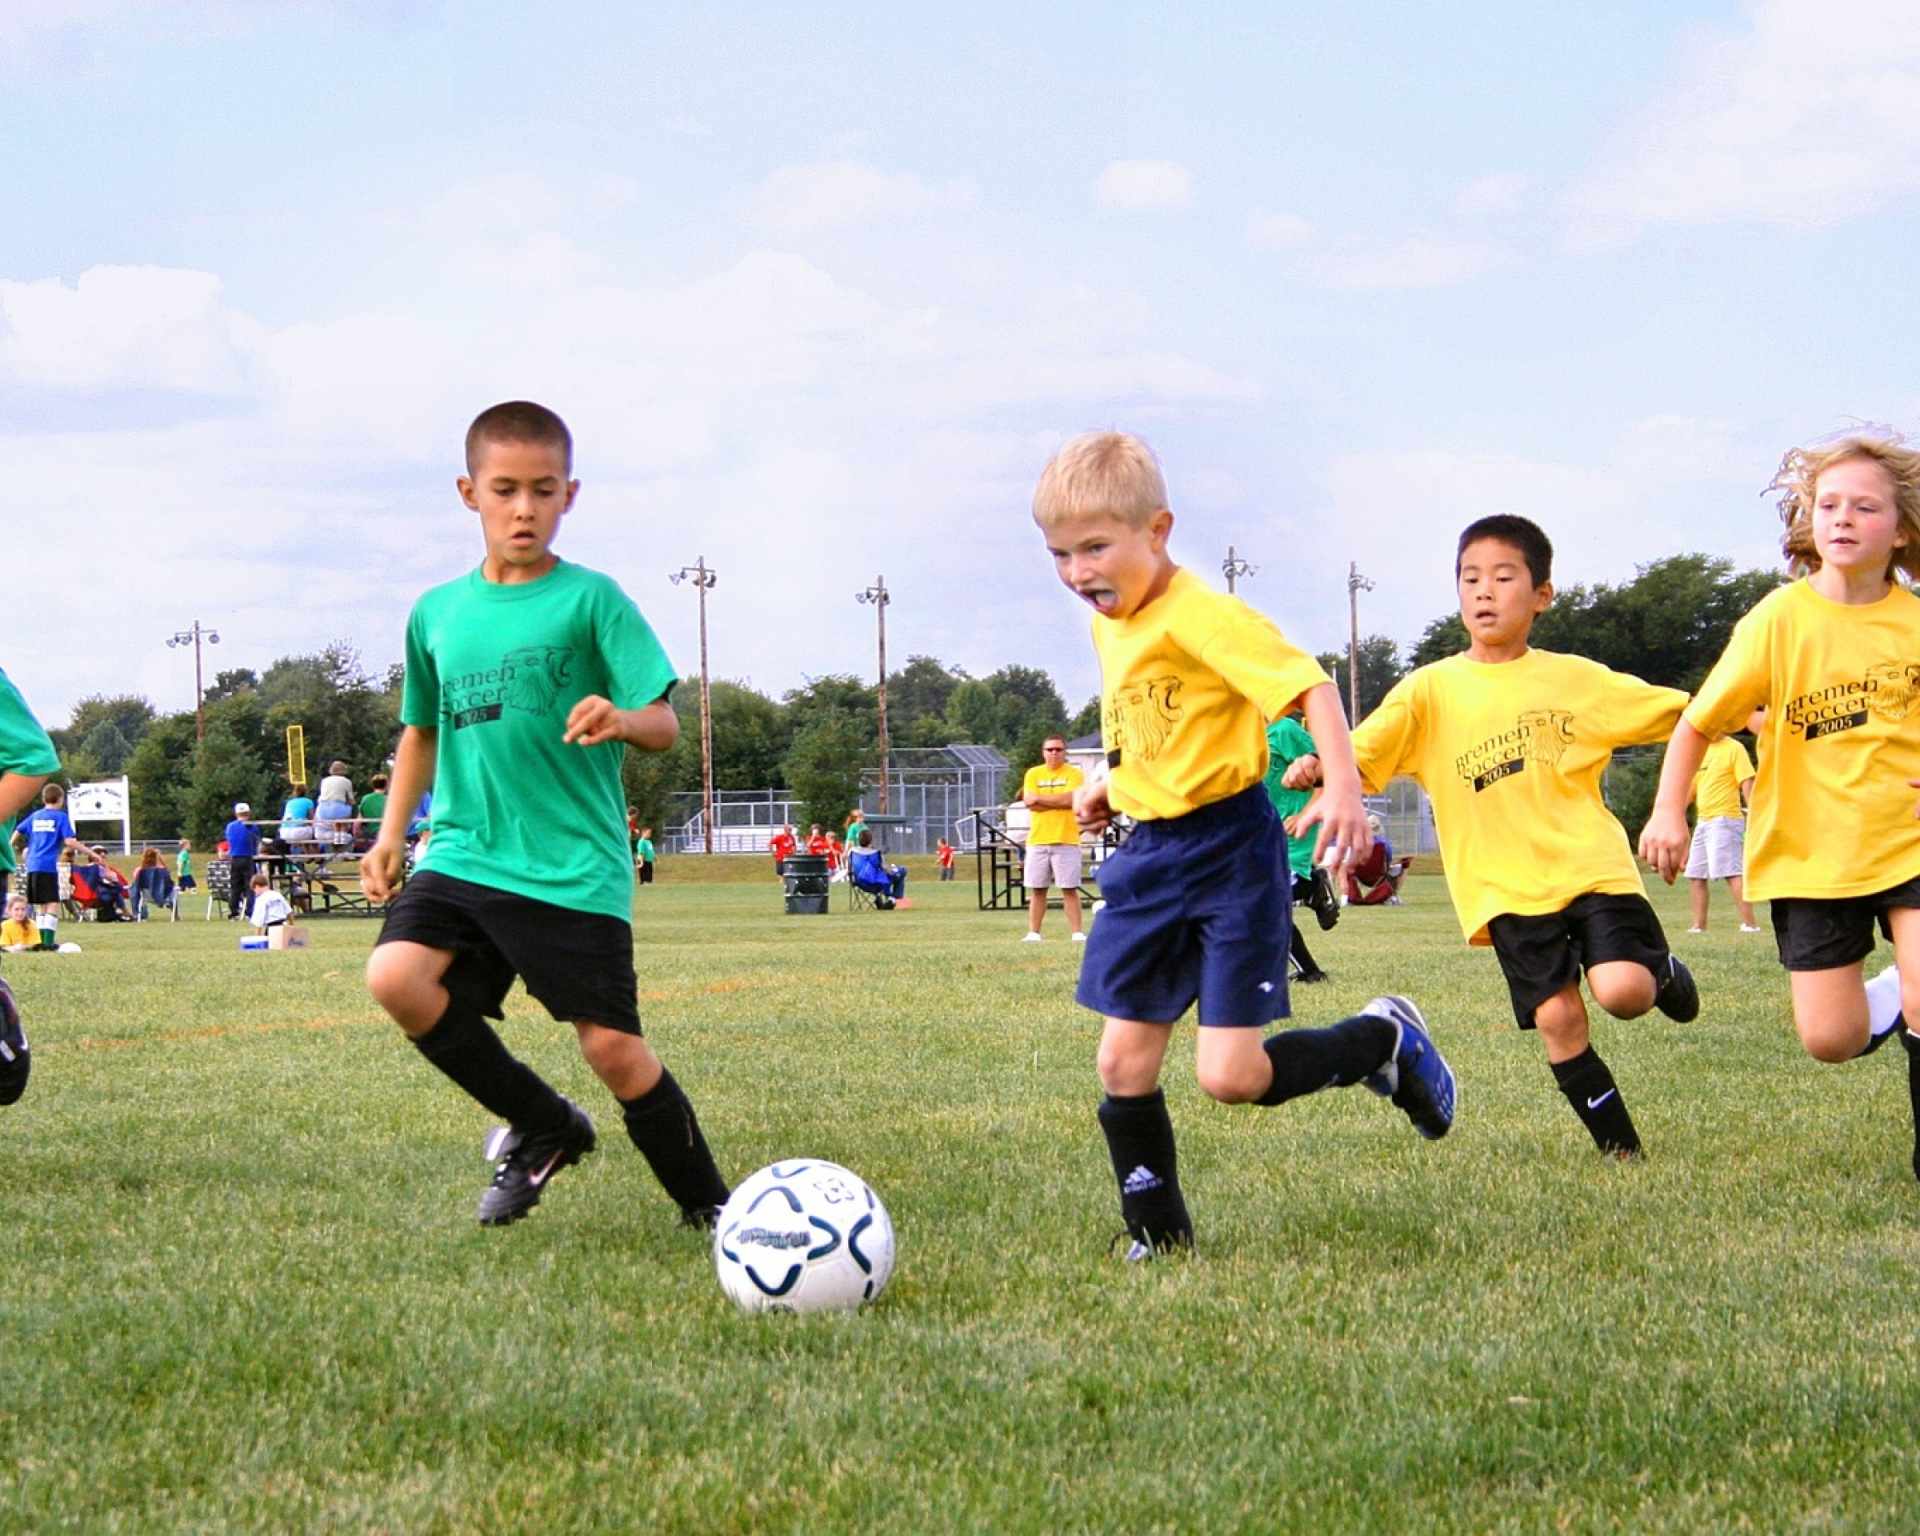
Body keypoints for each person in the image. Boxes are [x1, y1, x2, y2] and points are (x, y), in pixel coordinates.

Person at [1033, 431, 1455, 1259]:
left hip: (1230, 856)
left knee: (1231, 1077)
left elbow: (1310, 687)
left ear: (1157, 531)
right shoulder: (1108, 625)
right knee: (1122, 1063)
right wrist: (1105, 785)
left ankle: (1382, 1041)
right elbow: (1155, 730)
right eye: (1059, 553)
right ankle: (1160, 1238)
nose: (1079, 571)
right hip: (1150, 859)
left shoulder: (1202, 614)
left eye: (1095, 547)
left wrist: (1343, 787)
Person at [361, 399, 731, 1230]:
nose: (523, 507)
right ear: (469, 493)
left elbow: (665, 725)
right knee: (396, 977)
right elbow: (421, 732)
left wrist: (622, 717)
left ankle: (710, 1207)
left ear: (570, 494)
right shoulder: (436, 612)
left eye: (542, 489)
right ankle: (544, 1123)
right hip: (463, 850)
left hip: (571, 863)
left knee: (611, 1049)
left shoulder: (592, 601)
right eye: (505, 489)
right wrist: (391, 836)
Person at [1293, 513, 1698, 1160]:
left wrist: (1756, 710)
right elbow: (1362, 752)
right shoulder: (1429, 691)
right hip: (1502, 885)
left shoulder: (1576, 679)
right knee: (1558, 1019)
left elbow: (1687, 714)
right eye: (1470, 578)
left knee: (1622, 992)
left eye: (1503, 577)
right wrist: (1319, 764)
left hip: (1590, 866)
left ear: (1542, 595)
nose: (1483, 591)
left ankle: (1663, 970)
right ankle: (1624, 1153)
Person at [1640, 433, 1920, 1180]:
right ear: (1809, 519)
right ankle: (1890, 995)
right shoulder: (1778, 620)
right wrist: (1670, 811)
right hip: (1810, 853)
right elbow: (1699, 721)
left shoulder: (1914, 624)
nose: (1843, 518)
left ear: (1901, 529)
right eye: (1828, 504)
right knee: (1830, 1038)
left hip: (1910, 838)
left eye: (1865, 506)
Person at [1262, 710, 1338, 983]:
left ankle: (1311, 972)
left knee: (1266, 903)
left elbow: (1326, 770)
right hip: (1264, 836)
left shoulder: (1284, 730)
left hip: (1294, 830)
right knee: (1264, 903)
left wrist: (1307, 812)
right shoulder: (1242, 740)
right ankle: (1311, 887)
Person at [1683, 732, 1759, 933]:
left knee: (1731, 872)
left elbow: (1746, 781)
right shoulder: (1700, 750)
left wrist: (1753, 813)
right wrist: (1673, 814)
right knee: (1695, 874)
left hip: (1725, 819)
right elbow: (1691, 789)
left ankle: (1750, 925)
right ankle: (1699, 926)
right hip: (1703, 821)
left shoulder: (1734, 748)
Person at [1021, 734, 1087, 942]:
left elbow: (1072, 799)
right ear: (1043, 752)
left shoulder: (1075, 774)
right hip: (1038, 839)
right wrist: (1057, 801)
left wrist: (1041, 798)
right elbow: (1030, 803)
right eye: (1050, 749)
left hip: (1066, 838)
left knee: (1069, 888)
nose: (1054, 753)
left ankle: (1077, 932)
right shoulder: (1033, 774)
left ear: (1064, 752)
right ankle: (1034, 932)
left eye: (1058, 749)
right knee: (1038, 888)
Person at [13, 783, 83, 921]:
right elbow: (69, 842)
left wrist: (9, 846)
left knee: (41, 905)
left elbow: (19, 830)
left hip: (32, 866)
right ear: (60, 799)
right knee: (52, 902)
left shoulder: (35, 816)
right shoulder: (60, 816)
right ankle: (48, 941)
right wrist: (90, 853)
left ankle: (41, 939)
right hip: (47, 866)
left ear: (44, 799)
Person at [1344, 813, 1411, 907]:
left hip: (1360, 876)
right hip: (1379, 876)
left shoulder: (1357, 843)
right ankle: (1393, 896)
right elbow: (1389, 859)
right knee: (1403, 866)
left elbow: (1351, 859)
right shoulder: (1384, 843)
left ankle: (1348, 897)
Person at [848, 829, 908, 907]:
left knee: (877, 876)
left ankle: (879, 898)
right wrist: (893, 869)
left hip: (860, 883)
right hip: (878, 884)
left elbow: (849, 869)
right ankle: (892, 899)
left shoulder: (852, 852)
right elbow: (885, 869)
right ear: (870, 840)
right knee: (902, 870)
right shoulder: (876, 853)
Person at [223, 802, 261, 919]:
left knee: (235, 886)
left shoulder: (230, 826)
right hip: (248, 858)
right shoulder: (253, 826)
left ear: (236, 813)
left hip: (235, 858)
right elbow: (257, 841)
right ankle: (250, 911)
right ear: (248, 813)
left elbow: (229, 841)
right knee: (250, 886)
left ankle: (234, 912)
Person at [359, 774, 391, 847]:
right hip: (385, 832)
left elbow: (360, 817)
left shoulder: (365, 798)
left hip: (369, 833)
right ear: (386, 785)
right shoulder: (389, 799)